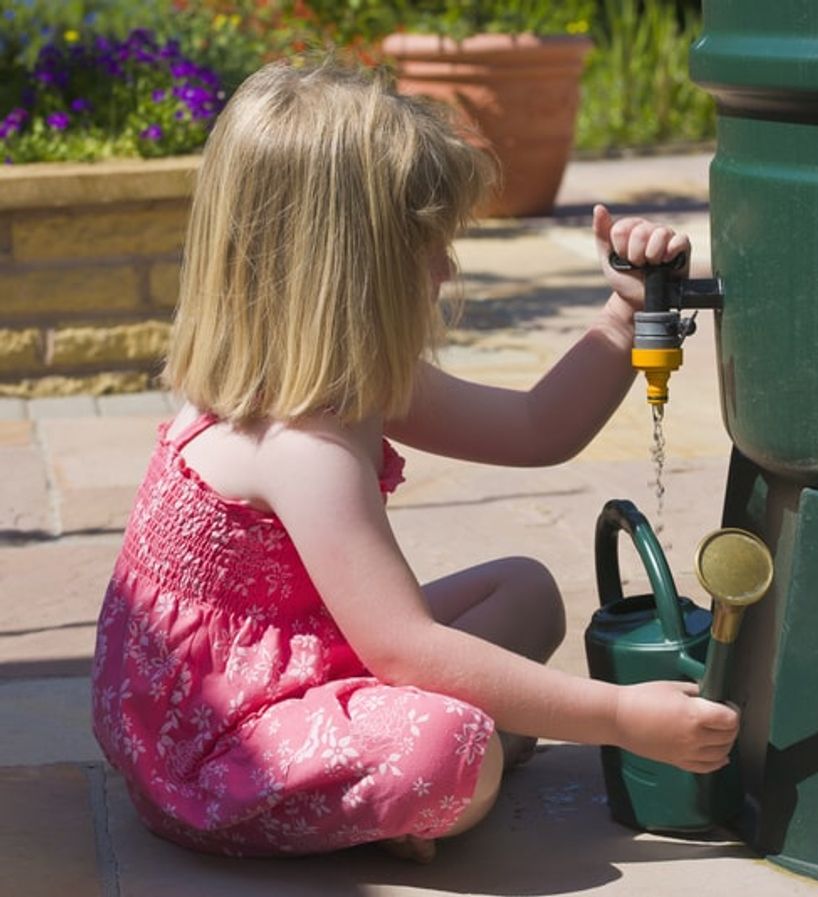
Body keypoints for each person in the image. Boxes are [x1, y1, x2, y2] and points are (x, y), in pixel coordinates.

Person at [91, 57, 739, 862]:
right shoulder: (304, 445)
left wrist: (621, 313)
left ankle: (417, 767)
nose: (444, 269)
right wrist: (619, 715)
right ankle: (405, 798)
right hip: (216, 748)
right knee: (456, 756)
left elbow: (537, 426)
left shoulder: (342, 374)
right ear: (347, 275)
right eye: (426, 249)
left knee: (527, 592)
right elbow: (406, 648)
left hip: (292, 655)